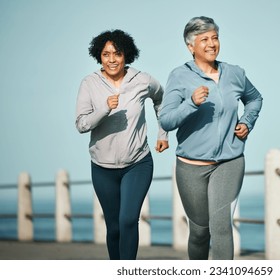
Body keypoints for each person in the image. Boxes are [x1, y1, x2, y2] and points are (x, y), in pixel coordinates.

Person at [160, 16, 263, 260]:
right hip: (191, 167)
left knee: (221, 226)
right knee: (199, 232)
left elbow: (255, 99)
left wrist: (247, 122)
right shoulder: (179, 76)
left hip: (229, 162)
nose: (211, 44)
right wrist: (191, 103)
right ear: (190, 46)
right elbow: (166, 120)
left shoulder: (234, 74)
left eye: (215, 37)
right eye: (204, 39)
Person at [75, 29, 169, 260]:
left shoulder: (142, 80)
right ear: (99, 56)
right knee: (114, 226)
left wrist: (163, 133)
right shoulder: (89, 83)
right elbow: (81, 124)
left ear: (126, 55)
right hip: (102, 167)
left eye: (117, 54)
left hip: (137, 163)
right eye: (106, 54)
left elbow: (161, 100)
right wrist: (104, 108)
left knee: (128, 220)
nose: (112, 60)